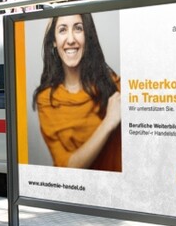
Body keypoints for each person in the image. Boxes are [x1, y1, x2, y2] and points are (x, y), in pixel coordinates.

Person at [32, 12, 122, 171]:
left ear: (88, 36)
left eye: (78, 29)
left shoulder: (114, 86)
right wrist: (109, 122)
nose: (71, 39)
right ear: (54, 41)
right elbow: (66, 165)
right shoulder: (46, 100)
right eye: (62, 30)